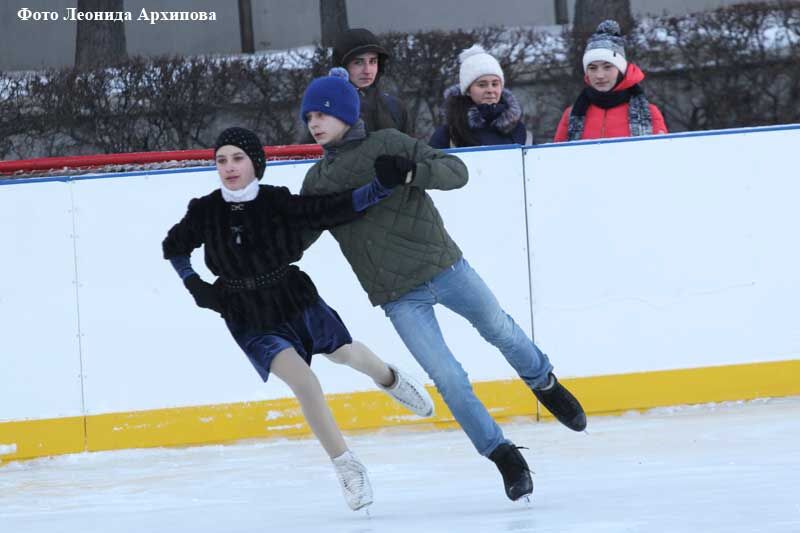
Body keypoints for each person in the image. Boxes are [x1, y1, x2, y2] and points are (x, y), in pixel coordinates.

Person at [300, 68, 587, 503]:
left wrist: (411, 172)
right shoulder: (317, 182)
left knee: (501, 330)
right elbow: (297, 236)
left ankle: (544, 382)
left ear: (344, 113)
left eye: (322, 114)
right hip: (399, 297)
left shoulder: (390, 142)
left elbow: (456, 171)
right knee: (449, 378)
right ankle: (502, 453)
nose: (314, 124)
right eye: (308, 118)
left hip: (445, 268)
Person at [161, 126, 434, 512]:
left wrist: (381, 186)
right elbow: (173, 247)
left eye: (237, 158)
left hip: (292, 295)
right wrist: (194, 284)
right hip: (245, 313)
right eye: (221, 160)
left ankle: (388, 377)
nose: (229, 167)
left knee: (345, 353)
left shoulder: (277, 202)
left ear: (255, 163)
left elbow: (332, 209)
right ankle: (347, 466)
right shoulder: (204, 210)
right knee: (305, 382)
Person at [554, 20, 668, 142]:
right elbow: (557, 157)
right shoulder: (571, 115)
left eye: (607, 67)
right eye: (592, 68)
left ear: (621, 70)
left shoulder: (650, 113)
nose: (600, 75)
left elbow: (661, 157)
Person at [298, 28, 412, 143]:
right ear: (342, 66)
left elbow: (410, 154)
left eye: (373, 61)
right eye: (358, 62)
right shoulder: (327, 106)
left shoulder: (394, 107)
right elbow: (310, 155)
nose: (367, 70)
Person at [430, 44, 532, 148]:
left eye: (495, 84)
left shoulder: (520, 131)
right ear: (468, 90)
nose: (490, 90)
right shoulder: (448, 134)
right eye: (482, 85)